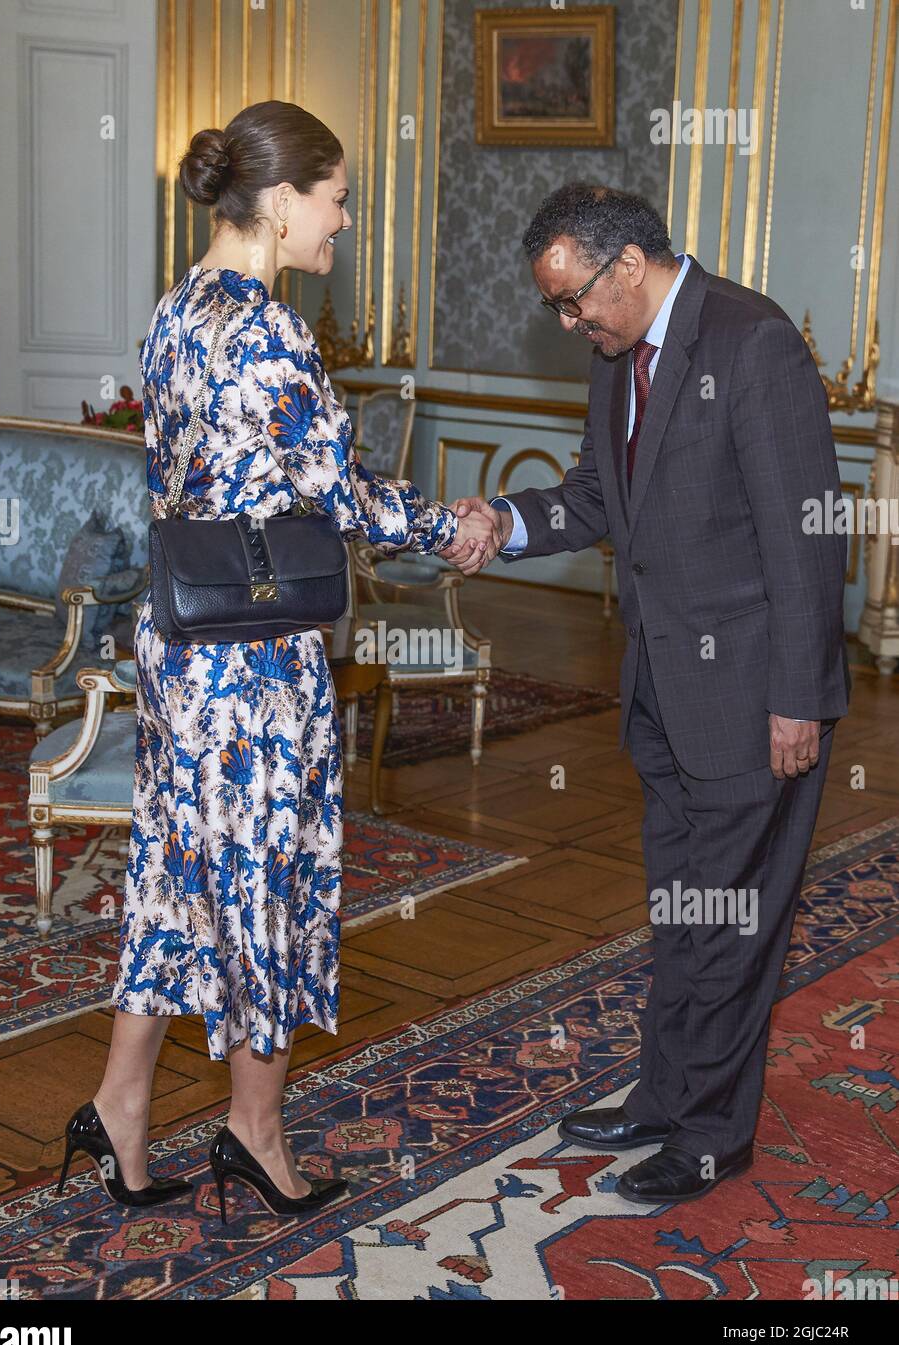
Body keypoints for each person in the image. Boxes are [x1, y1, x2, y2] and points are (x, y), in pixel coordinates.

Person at [58, 100, 495, 1219]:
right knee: (262, 876)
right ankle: (252, 1130)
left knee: (174, 867)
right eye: (338, 198)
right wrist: (454, 525)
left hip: (180, 640)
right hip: (252, 658)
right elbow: (342, 495)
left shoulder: (174, 311)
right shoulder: (266, 330)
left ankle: (119, 1107)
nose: (343, 222)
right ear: (284, 198)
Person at [444, 184, 849, 1204]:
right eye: (558, 310)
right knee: (682, 909)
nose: (569, 322)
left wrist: (797, 697)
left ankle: (712, 1135)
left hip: (756, 697)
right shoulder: (617, 357)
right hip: (661, 692)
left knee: (736, 923)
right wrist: (502, 516)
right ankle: (663, 1096)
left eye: (572, 300)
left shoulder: (752, 343)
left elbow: (805, 536)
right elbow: (594, 495)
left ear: (627, 265)